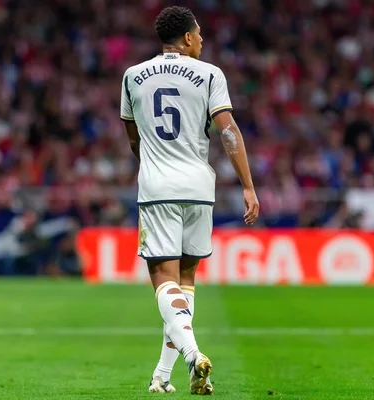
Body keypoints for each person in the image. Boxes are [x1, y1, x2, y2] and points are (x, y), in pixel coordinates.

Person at [120, 6, 259, 395]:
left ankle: (193, 354)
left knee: (163, 278)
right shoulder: (211, 74)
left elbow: (133, 139)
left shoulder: (132, 76)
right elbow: (228, 131)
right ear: (185, 38)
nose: (202, 41)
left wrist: (154, 166)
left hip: (157, 187)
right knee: (186, 279)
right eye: (198, 35)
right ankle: (162, 377)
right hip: (200, 188)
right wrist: (247, 185)